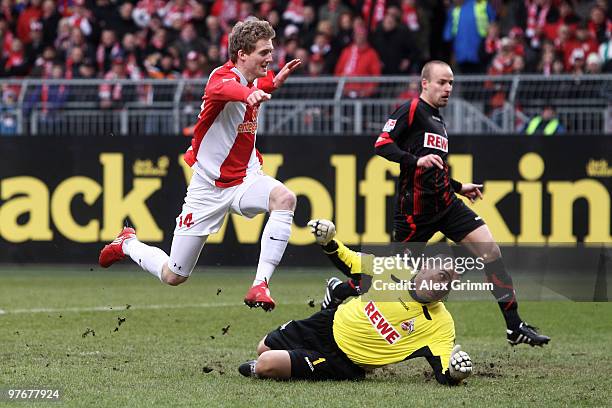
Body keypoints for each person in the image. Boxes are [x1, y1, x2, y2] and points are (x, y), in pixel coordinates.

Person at [98, 19, 302, 312]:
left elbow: (253, 86)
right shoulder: (220, 80)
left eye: (271, 51)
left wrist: (272, 83)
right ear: (242, 54)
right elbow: (233, 91)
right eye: (263, 52)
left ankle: (260, 285)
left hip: (245, 179)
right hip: (207, 188)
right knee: (174, 275)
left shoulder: (252, 81)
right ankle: (127, 243)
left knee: (284, 198)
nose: (270, 57)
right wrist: (251, 93)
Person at [346, 60, 547, 346]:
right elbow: (382, 144)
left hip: (447, 205)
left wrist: (459, 187)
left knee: (490, 251)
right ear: (424, 83)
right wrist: (415, 160)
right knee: (391, 278)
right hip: (416, 212)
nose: (448, 88)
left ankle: (514, 327)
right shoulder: (412, 109)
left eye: (451, 82)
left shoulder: (439, 121)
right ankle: (341, 292)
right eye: (442, 82)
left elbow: (435, 168)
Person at [238, 219, 473, 384]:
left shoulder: (441, 325)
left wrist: (454, 373)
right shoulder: (392, 269)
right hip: (327, 323)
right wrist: (329, 241)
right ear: (425, 267)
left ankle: (275, 365)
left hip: (342, 362)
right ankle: (326, 309)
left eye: (450, 283)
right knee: (263, 347)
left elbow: (443, 370)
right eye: (442, 276)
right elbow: (350, 261)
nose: (443, 286)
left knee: (265, 363)